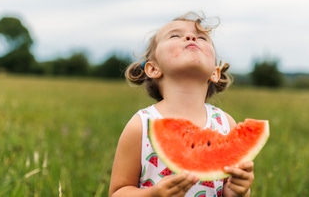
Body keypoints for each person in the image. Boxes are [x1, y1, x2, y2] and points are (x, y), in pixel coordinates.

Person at [109, 11, 255, 197]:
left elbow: (227, 192)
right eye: (175, 35)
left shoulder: (226, 124)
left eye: (202, 38)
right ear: (153, 68)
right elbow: (117, 192)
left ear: (215, 73)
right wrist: (152, 194)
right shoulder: (142, 125)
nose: (191, 36)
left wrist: (239, 190)